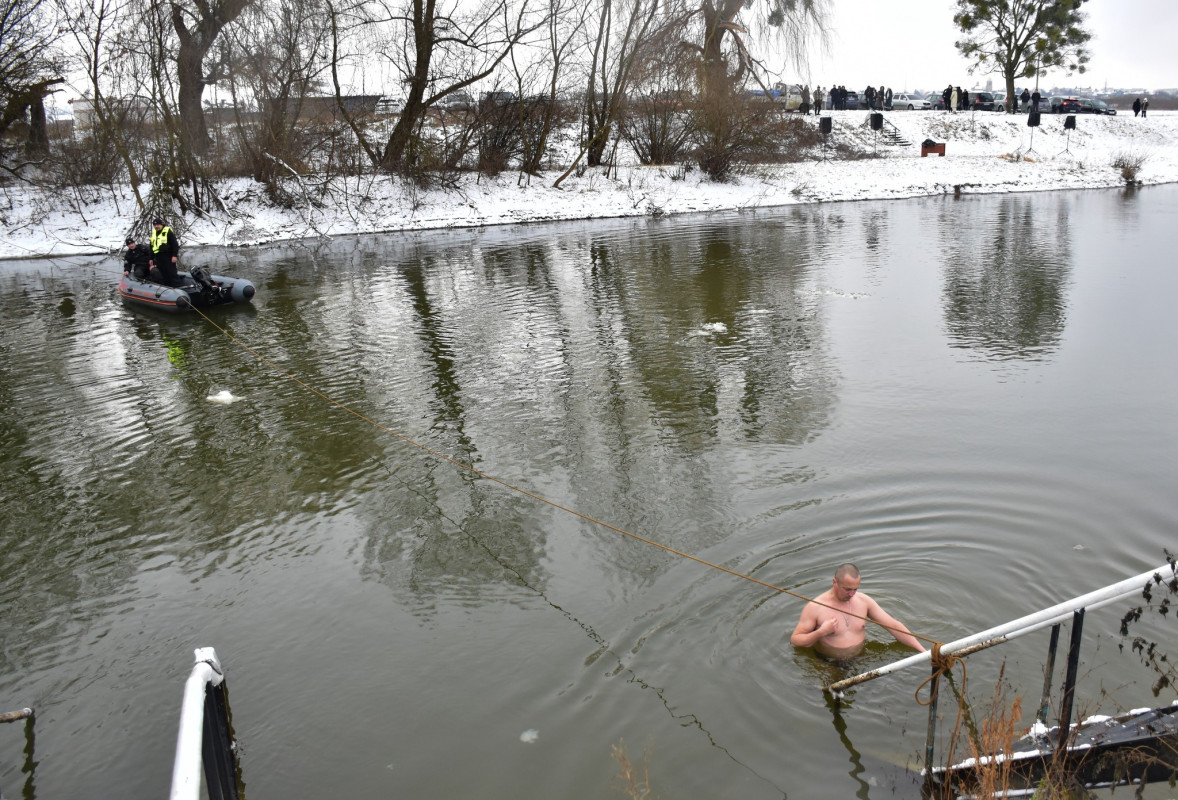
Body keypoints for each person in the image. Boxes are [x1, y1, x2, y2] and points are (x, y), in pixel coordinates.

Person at [791, 564, 926, 659]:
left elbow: (894, 626)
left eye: (855, 589)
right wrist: (821, 632)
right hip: (828, 663)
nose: (852, 594)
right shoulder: (815, 607)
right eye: (847, 589)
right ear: (835, 582)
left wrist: (923, 652)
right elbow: (796, 640)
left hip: (861, 659)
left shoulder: (863, 601)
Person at [149, 217, 181, 287]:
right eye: (155, 225)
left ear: (161, 224)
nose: (156, 226)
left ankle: (177, 289)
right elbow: (151, 247)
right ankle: (168, 289)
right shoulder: (154, 234)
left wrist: (174, 255)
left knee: (172, 273)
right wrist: (151, 258)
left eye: (158, 225)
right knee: (163, 274)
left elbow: (175, 244)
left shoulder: (168, 232)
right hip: (158, 257)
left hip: (168, 256)